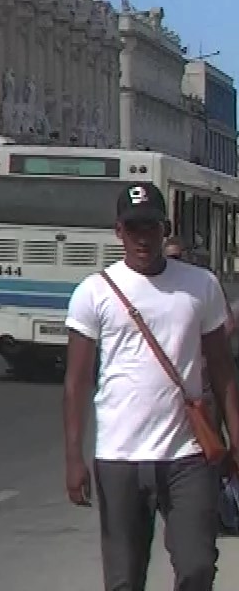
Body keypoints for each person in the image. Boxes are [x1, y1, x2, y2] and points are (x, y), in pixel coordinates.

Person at [65, 184, 239, 591]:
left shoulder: (201, 285)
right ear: (118, 231)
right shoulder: (94, 292)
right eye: (133, 227)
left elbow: (223, 369)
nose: (143, 237)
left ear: (166, 229)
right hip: (119, 456)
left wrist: (236, 437)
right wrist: (74, 457)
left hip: (188, 456)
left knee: (197, 567)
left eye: (152, 227)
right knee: (124, 579)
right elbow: (75, 383)